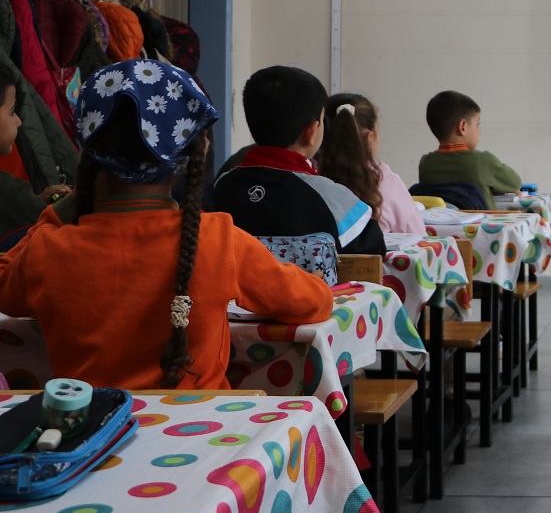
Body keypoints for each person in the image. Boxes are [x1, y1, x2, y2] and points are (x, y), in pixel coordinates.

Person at [0, 60, 332, 389]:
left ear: (91, 154)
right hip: (206, 435)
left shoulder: (46, 248)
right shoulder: (217, 239)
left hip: (90, 436)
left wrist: (68, 202)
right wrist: (315, 283)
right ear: (185, 155)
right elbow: (312, 302)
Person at [213, 66, 387, 254]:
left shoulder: (223, 186)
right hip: (312, 284)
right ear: (311, 133)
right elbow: (374, 250)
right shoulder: (332, 197)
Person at [318, 92, 424, 236]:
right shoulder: (386, 180)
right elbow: (418, 236)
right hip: (385, 258)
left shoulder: (309, 178)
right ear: (370, 137)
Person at [0, 69, 71, 240]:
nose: (18, 121)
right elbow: (53, 222)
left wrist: (37, 201)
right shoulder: (6, 190)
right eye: (11, 112)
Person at [416, 91, 522, 203]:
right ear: (463, 127)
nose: (479, 131)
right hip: (483, 219)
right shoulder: (482, 161)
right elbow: (515, 182)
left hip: (441, 220)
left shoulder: (426, 164)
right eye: (477, 124)